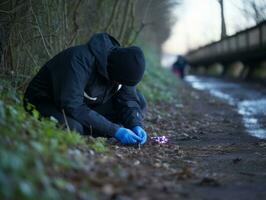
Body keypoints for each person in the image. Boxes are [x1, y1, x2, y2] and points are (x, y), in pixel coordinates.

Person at [23, 33, 147, 145]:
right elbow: (71, 104)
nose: (121, 84)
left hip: (84, 104)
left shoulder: (122, 69)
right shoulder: (78, 60)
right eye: (121, 82)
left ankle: (96, 126)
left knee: (139, 101)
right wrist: (115, 130)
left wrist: (135, 124)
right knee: (73, 128)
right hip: (46, 102)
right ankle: (94, 127)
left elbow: (128, 99)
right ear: (114, 74)